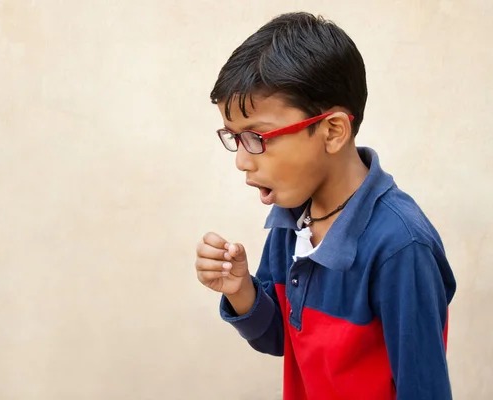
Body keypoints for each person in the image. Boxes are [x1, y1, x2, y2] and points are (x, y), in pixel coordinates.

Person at [194, 11, 457, 400]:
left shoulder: (401, 247)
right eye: (235, 138)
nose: (242, 160)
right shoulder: (291, 221)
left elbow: (424, 389)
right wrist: (241, 290)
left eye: (257, 137)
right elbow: (280, 338)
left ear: (332, 131)